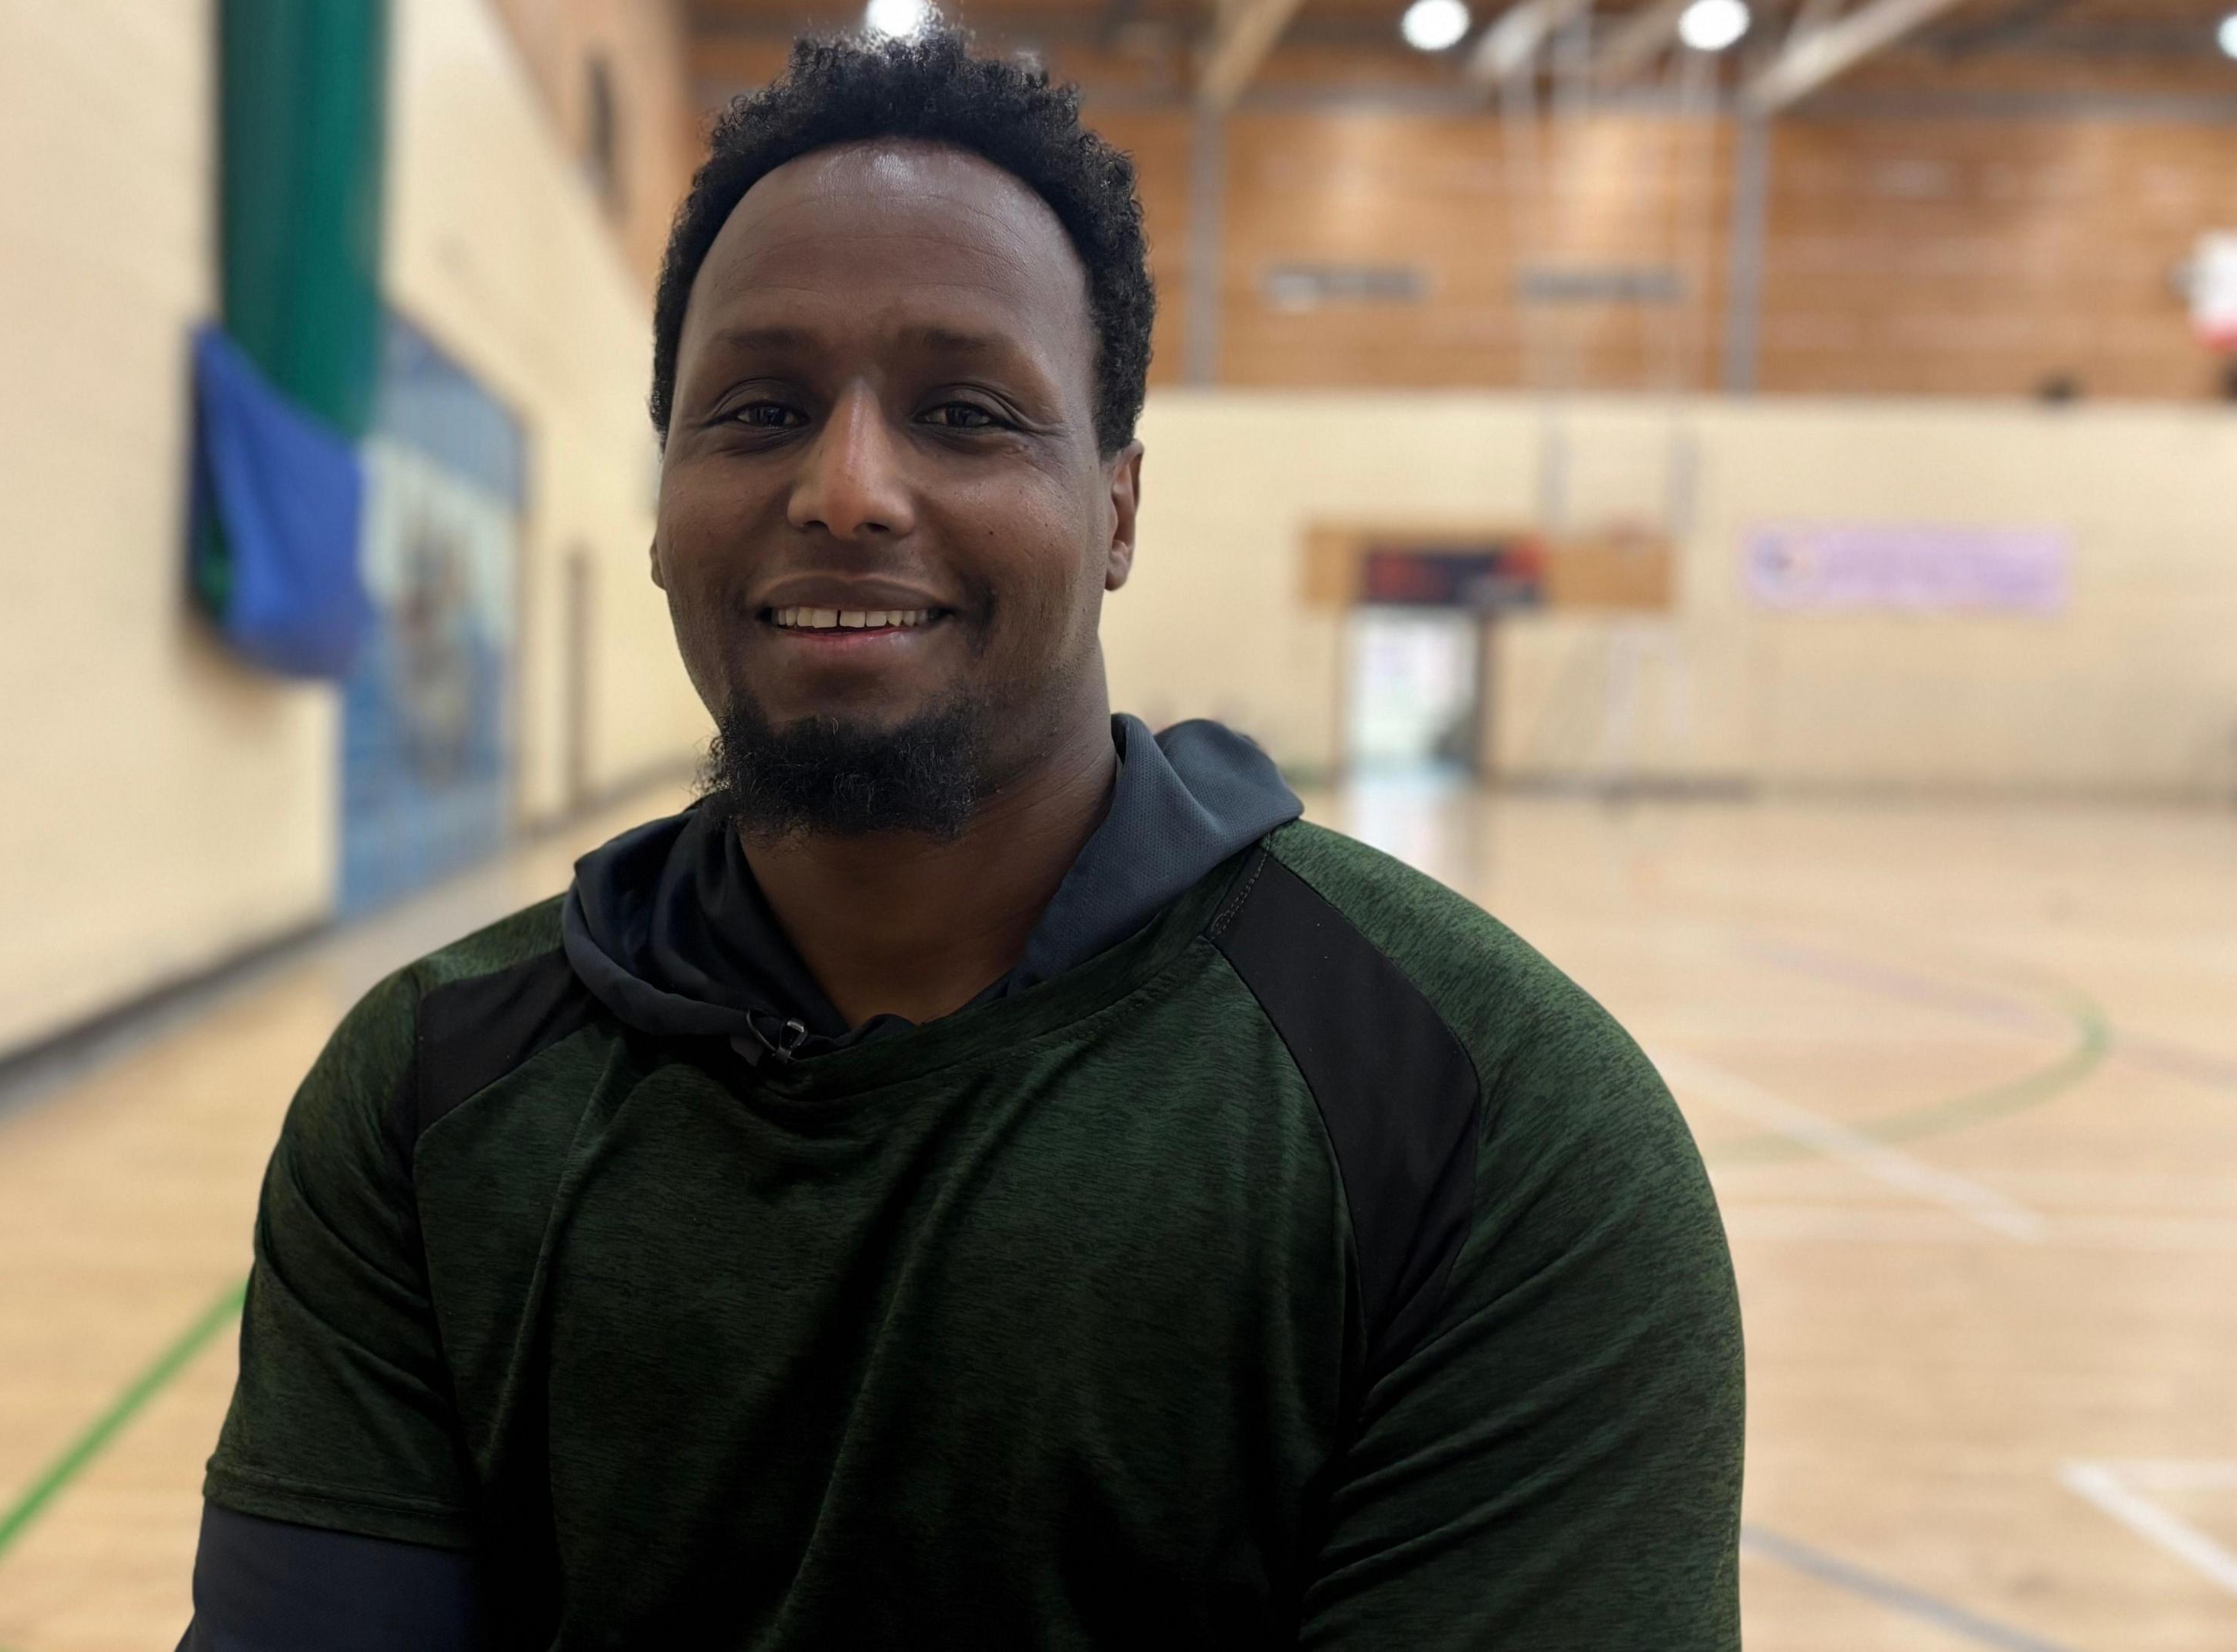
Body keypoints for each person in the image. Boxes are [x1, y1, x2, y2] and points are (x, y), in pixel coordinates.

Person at [181, 28, 1742, 1650]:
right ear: (661, 508)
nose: (847, 489)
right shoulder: (428, 1095)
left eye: (966, 412)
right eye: (761, 410)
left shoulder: (1484, 1118)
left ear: (1117, 510)